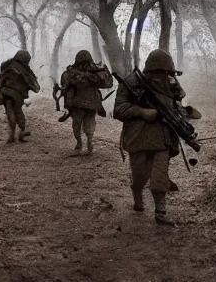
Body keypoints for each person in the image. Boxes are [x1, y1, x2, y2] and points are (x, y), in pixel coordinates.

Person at [113, 50, 200, 226]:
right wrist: (141, 111)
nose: (162, 77)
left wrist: (186, 113)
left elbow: (175, 107)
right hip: (138, 137)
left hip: (163, 137)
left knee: (160, 175)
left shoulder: (172, 85)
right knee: (140, 176)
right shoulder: (131, 82)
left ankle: (161, 211)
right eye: (158, 73)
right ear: (150, 70)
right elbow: (119, 109)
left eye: (165, 73)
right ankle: (137, 193)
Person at [60, 50, 113, 154]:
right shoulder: (75, 73)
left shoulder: (90, 72)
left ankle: (82, 144)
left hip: (81, 104)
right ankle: (85, 142)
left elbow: (106, 83)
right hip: (87, 104)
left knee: (79, 124)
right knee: (86, 124)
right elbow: (65, 83)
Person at [0, 50, 40, 143]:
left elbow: (0, 81)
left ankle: (12, 135)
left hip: (6, 95)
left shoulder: (7, 66)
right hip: (17, 96)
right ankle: (19, 134)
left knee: (11, 114)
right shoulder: (24, 70)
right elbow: (35, 86)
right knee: (18, 112)